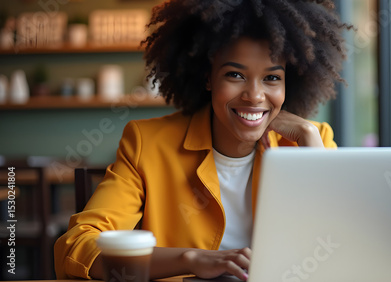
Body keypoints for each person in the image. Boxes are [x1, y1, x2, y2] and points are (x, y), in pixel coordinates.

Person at [54, 0, 351, 280]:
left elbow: (346, 249)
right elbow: (77, 247)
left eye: (272, 78)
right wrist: (191, 259)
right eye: (235, 74)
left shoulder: (312, 141)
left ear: (290, 82)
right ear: (208, 78)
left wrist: (312, 146)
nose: (255, 96)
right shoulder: (147, 143)